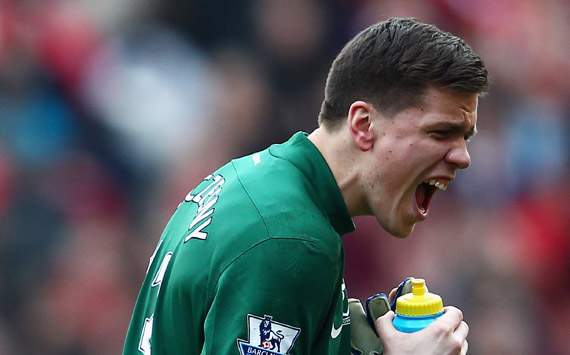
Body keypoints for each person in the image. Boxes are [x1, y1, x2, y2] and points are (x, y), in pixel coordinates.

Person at [122, 17, 488, 355]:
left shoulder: (249, 181)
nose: (462, 157)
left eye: (465, 137)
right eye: (441, 132)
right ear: (363, 124)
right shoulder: (289, 240)